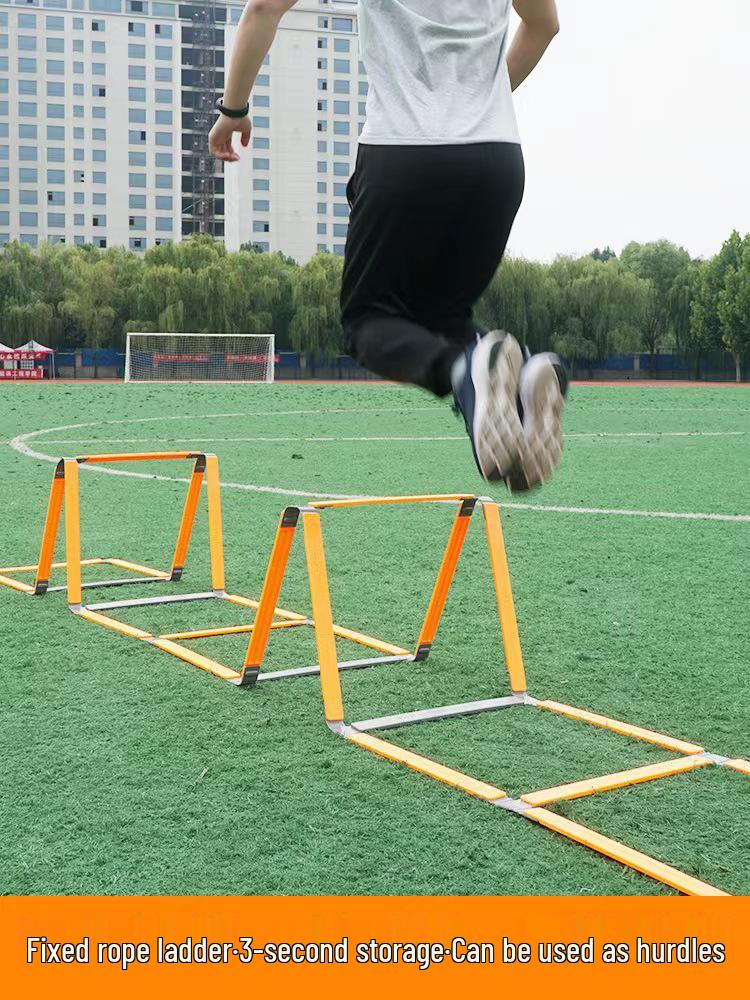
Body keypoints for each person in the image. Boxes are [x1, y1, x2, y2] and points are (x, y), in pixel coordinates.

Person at [210, 0, 565, 491]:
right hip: (497, 159)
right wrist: (480, 104)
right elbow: (544, 25)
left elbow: (264, 8)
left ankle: (465, 369)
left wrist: (233, 110)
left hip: (405, 152)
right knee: (443, 320)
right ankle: (521, 393)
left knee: (367, 322)